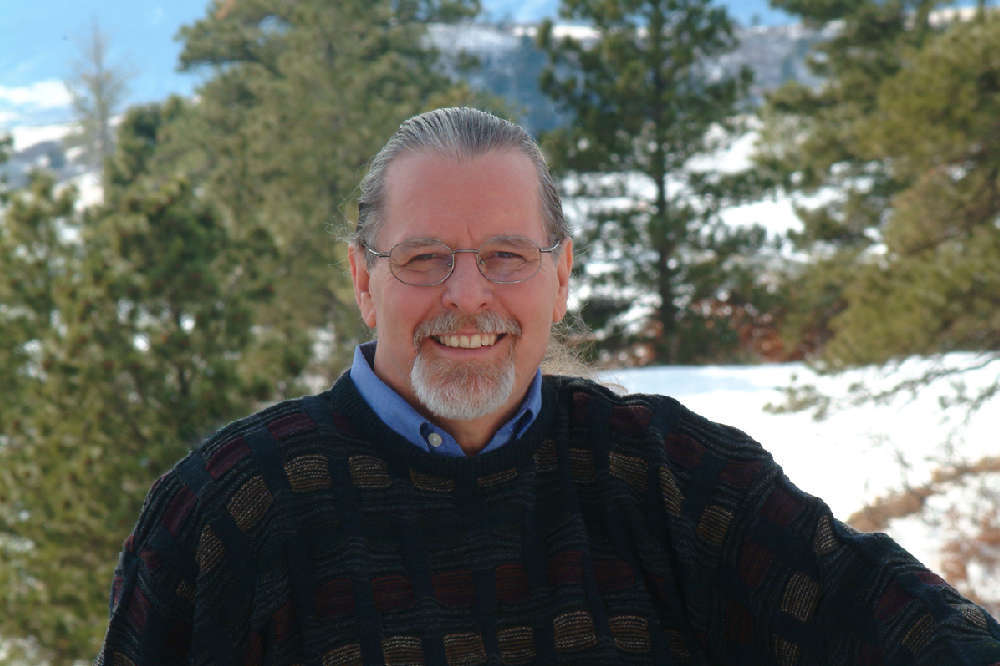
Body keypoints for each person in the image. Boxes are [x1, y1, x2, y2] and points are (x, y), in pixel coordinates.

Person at [97, 107, 1000, 665]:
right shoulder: (228, 510)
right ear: (362, 278)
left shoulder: (666, 474)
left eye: (505, 256)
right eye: (423, 259)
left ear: (560, 276)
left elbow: (884, 618)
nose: (466, 293)